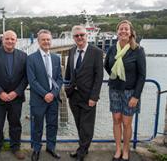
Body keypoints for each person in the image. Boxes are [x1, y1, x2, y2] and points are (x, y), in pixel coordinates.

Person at [104, 20, 146, 161]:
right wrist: (115, 75)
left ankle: (126, 150)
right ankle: (118, 149)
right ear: (117, 32)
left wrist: (136, 96)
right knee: (116, 120)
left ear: (131, 32)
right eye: (121, 28)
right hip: (114, 89)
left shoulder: (138, 50)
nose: (123, 31)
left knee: (127, 123)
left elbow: (142, 75)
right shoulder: (112, 49)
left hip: (130, 92)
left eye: (126, 29)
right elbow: (107, 65)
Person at [0, 30, 28, 161]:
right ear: (2, 40)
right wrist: (0, 92)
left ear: (16, 41)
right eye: (7, 39)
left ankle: (15, 147)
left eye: (12, 39)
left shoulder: (23, 55)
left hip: (16, 98)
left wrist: (16, 92)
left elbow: (26, 77)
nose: (9, 41)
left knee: (15, 124)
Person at [64, 25, 103, 161]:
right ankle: (83, 148)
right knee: (79, 124)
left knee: (87, 126)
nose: (79, 37)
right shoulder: (71, 51)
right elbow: (69, 73)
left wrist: (94, 97)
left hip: (88, 97)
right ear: (73, 37)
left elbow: (99, 77)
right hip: (73, 96)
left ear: (86, 36)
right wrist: (67, 89)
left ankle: (82, 151)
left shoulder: (96, 52)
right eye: (76, 36)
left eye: (82, 35)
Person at [27, 29, 63, 161]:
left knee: (52, 124)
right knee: (37, 126)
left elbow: (59, 79)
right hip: (38, 99)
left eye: (48, 39)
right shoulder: (31, 59)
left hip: (53, 99)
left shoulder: (56, 58)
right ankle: (36, 149)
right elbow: (32, 80)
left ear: (51, 41)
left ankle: (51, 147)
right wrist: (45, 94)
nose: (46, 42)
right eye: (43, 39)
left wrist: (53, 94)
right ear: (38, 41)